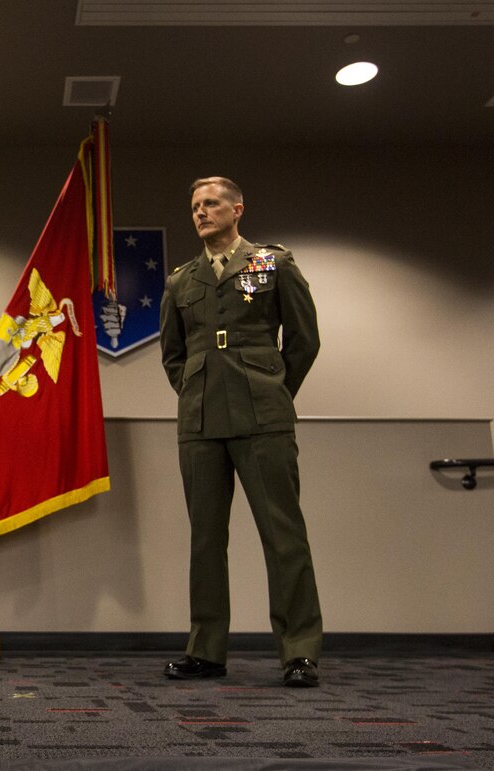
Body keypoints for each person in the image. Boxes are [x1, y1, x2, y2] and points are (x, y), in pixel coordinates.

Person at [158, 176, 322, 687]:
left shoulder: (273, 264)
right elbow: (173, 355)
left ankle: (299, 652)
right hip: (200, 420)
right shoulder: (180, 281)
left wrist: (274, 390)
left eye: (211, 204)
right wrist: (195, 392)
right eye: (195, 206)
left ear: (237, 210)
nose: (201, 213)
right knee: (205, 540)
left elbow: (304, 340)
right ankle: (205, 650)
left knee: (283, 535)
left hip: (263, 418)